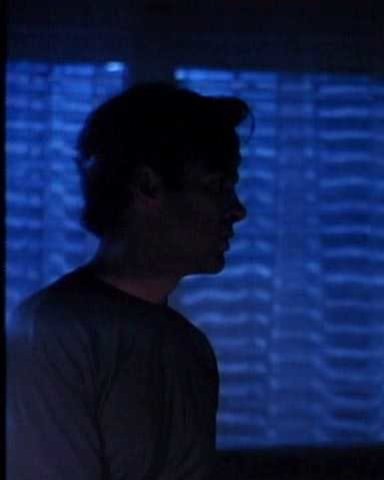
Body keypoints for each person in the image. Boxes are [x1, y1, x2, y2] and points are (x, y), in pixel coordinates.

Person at [7, 83, 249, 479]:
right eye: (216, 186)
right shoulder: (51, 331)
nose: (237, 210)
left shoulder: (189, 348)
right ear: (148, 186)